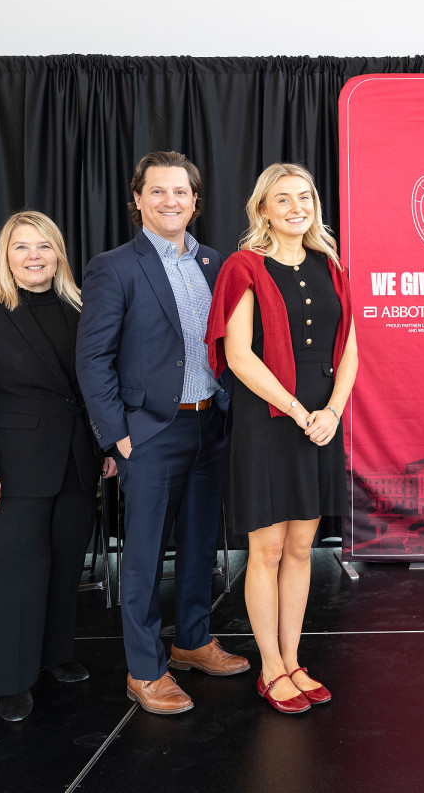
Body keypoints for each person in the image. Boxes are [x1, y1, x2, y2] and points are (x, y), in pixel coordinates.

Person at [77, 151, 248, 716]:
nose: (170, 201)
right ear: (138, 200)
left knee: (200, 541)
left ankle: (193, 640)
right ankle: (145, 669)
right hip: (149, 432)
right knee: (146, 554)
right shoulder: (114, 266)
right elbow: (93, 360)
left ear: (196, 201)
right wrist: (117, 438)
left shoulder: (213, 262)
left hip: (209, 421)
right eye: (158, 192)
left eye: (181, 192)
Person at [0, 212, 118, 721]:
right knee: (12, 573)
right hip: (8, 469)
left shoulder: (83, 309)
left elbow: (98, 385)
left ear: (58, 252)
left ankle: (53, 655)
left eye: (44, 245)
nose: (34, 255)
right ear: (6, 256)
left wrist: (104, 447)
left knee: (65, 565)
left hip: (77, 461)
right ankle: (9, 678)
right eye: (22, 247)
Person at [206, 163, 357, 714]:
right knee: (265, 549)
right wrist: (299, 411)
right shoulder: (244, 266)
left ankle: (293, 660)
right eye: (283, 199)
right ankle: (270, 667)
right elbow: (239, 355)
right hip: (268, 420)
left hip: (321, 424)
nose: (297, 207)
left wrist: (333, 412)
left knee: (301, 548)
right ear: (263, 210)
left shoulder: (332, 265)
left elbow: (350, 350)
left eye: (305, 198)